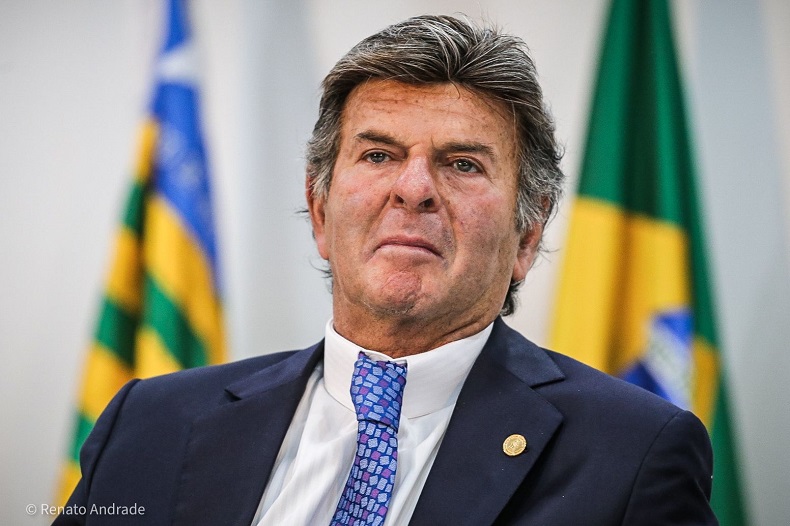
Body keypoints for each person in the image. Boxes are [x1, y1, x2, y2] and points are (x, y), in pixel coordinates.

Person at [56, 15, 716, 526]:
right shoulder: (149, 422)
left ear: (528, 231)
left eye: (463, 164)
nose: (414, 189)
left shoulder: (633, 453)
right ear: (319, 210)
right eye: (378, 155)